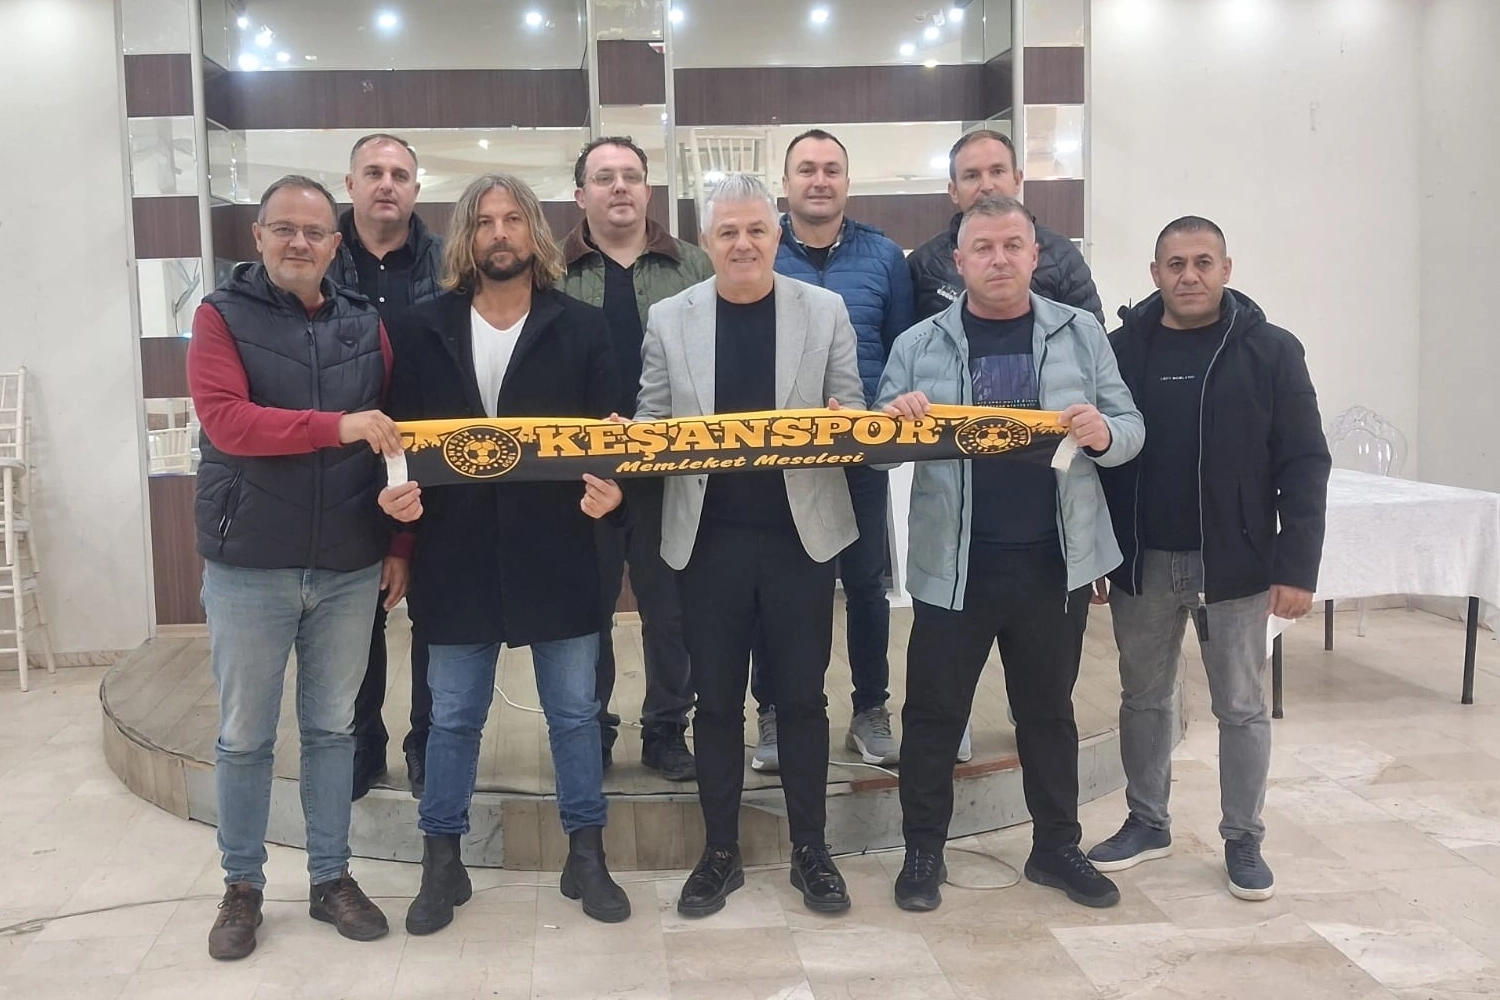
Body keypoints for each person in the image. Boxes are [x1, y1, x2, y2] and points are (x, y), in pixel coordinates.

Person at [377, 173, 631, 934]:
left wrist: (613, 492)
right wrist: (398, 516)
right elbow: (398, 445)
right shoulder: (420, 329)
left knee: (575, 715)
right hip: (453, 558)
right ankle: (442, 863)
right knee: (452, 717)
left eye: (512, 219)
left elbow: (612, 440)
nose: (498, 233)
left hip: (560, 554)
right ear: (466, 237)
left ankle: (586, 856)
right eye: (484, 221)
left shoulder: (584, 327)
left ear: (534, 234)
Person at [876, 195, 1143, 913]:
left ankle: (1056, 848)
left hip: (1053, 562)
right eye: (983, 248)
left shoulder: (1080, 334)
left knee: (1047, 714)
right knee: (933, 716)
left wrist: (1103, 434)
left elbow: (1131, 427)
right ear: (958, 262)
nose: (999, 259)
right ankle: (923, 850)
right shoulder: (919, 344)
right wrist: (893, 422)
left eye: (1012, 246)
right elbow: (875, 451)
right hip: (953, 564)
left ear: (1035, 255)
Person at [635, 174, 865, 917]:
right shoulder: (670, 318)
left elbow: (854, 413)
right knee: (717, 703)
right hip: (708, 543)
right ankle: (720, 853)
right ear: (706, 241)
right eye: (728, 232)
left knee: (801, 699)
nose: (743, 244)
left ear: (777, 235)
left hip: (802, 539)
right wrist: (627, 439)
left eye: (756, 230)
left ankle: (812, 850)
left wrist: (845, 423)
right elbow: (652, 423)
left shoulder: (824, 310)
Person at [187, 175, 402, 959]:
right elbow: (228, 422)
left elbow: (395, 441)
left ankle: (330, 877)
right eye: (283, 228)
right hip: (249, 564)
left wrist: (400, 545)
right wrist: (336, 425)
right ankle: (242, 887)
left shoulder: (365, 324)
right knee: (245, 735)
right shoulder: (220, 317)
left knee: (332, 731)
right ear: (258, 237)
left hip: (348, 563)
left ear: (336, 244)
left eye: (314, 232)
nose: (298, 243)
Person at [1087, 216, 1331, 902]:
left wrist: (1296, 567)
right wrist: (1098, 552)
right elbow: (1097, 460)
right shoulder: (1121, 350)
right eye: (1175, 264)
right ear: (1154, 273)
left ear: (1226, 269)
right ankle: (1147, 822)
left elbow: (1304, 461)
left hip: (1237, 562)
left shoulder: (1270, 350)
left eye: (1202, 262)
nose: (1188, 275)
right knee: (1142, 698)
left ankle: (1243, 838)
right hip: (1143, 560)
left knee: (1241, 707)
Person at [747, 128, 914, 772]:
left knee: (867, 585)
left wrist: (880, 423)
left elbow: (901, 351)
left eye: (832, 169)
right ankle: (774, 713)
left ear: (847, 180)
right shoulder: (761, 247)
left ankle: (871, 711)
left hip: (859, 453)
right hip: (783, 458)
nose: (819, 180)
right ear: (785, 181)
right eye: (807, 169)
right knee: (779, 590)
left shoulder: (885, 257)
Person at [557, 136, 712, 781]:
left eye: (630, 176)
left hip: (670, 470)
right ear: (580, 195)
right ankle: (589, 728)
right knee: (585, 609)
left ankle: (666, 729)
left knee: (670, 610)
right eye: (604, 178)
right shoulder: (550, 271)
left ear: (648, 190)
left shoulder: (695, 266)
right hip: (580, 472)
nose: (618, 187)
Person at [333, 132, 446, 801]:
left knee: (434, 609)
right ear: (350, 185)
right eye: (373, 172)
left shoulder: (448, 263)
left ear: (415, 189)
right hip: (343, 461)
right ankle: (361, 742)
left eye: (400, 174)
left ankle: (427, 741)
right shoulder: (321, 257)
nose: (387, 184)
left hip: (431, 460)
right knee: (358, 613)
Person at [908, 129, 1105, 327]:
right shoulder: (923, 266)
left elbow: (1090, 338)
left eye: (997, 172)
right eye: (972, 175)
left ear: (1017, 180)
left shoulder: (1062, 256)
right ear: (954, 191)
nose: (987, 185)